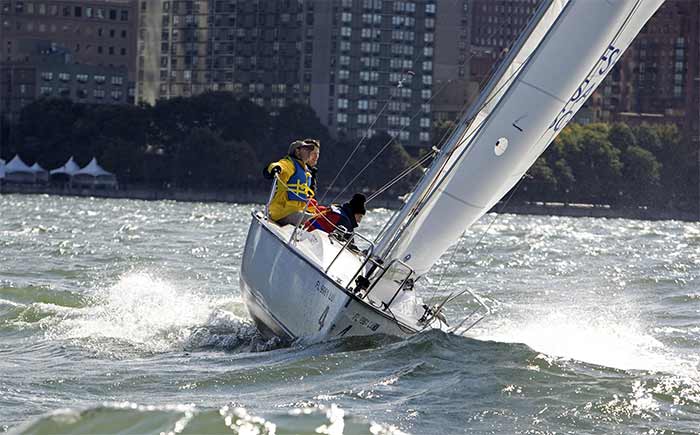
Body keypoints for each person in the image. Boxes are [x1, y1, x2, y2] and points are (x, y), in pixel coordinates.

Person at [263, 139, 321, 226]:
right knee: (316, 221)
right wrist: (275, 168)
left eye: (310, 150)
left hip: (295, 211)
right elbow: (280, 165)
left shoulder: (306, 172)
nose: (309, 152)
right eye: (306, 150)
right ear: (297, 151)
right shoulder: (289, 164)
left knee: (321, 218)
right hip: (283, 211)